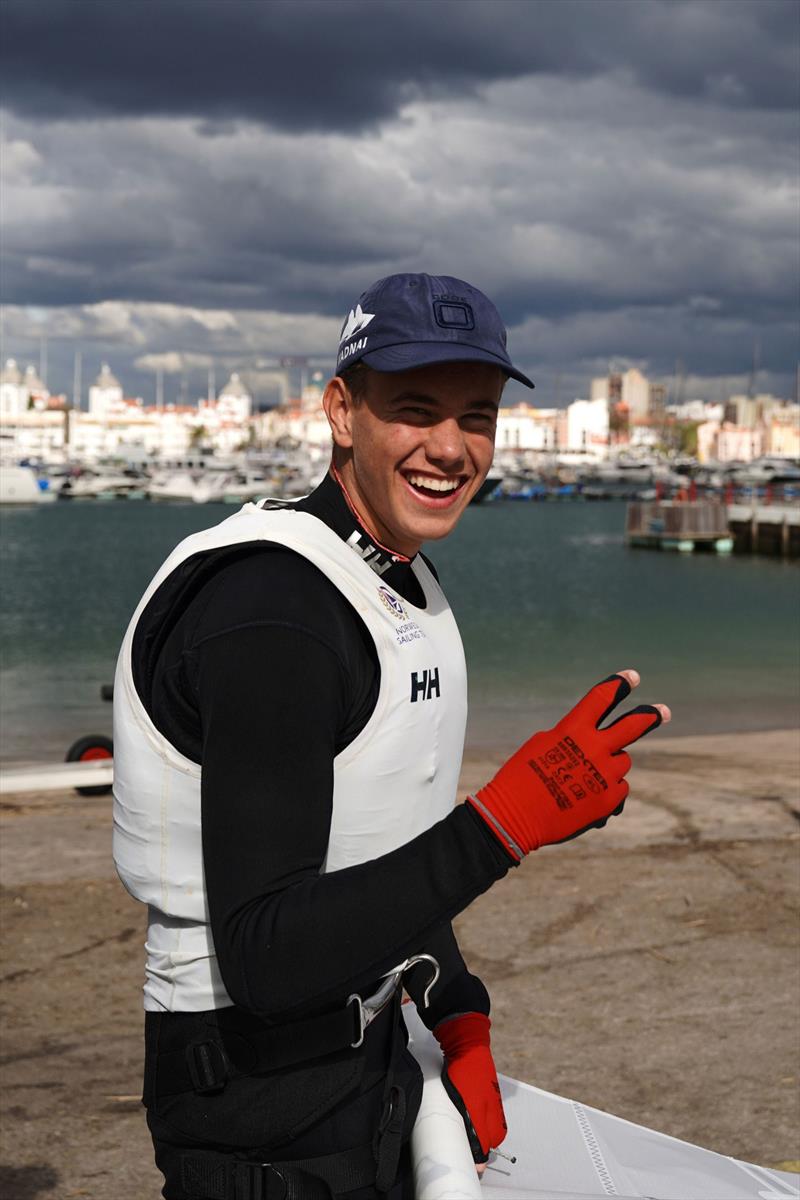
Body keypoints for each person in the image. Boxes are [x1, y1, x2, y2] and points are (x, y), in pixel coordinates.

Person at [112, 272, 670, 1200]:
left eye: (478, 416)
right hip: (254, 1112)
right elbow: (265, 956)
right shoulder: (274, 613)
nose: (451, 447)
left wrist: (454, 1007)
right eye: (416, 409)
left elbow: (369, 847)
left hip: (359, 1068)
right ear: (342, 412)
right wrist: (501, 826)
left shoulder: (392, 577)